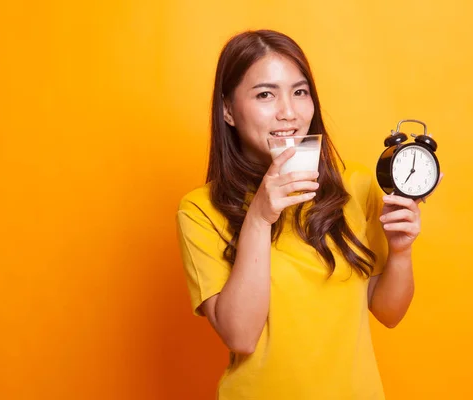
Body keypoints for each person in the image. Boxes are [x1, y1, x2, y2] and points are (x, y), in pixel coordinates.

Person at [176, 29, 440, 399]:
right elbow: (241, 336)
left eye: (300, 92)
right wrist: (259, 217)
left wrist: (400, 251)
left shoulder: (357, 184)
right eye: (265, 94)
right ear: (228, 110)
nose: (288, 112)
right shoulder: (200, 210)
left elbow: (389, 313)